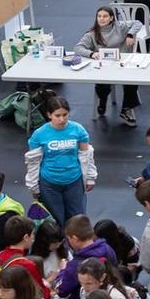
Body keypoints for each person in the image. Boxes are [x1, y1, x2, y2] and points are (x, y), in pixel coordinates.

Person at [25, 96, 96, 226]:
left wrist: (91, 177)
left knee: (77, 220)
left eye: (65, 114)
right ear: (49, 115)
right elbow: (33, 162)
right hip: (49, 184)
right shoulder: (39, 134)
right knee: (56, 221)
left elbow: (87, 155)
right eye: (57, 115)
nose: (62, 119)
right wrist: (33, 185)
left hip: (74, 181)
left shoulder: (78, 130)